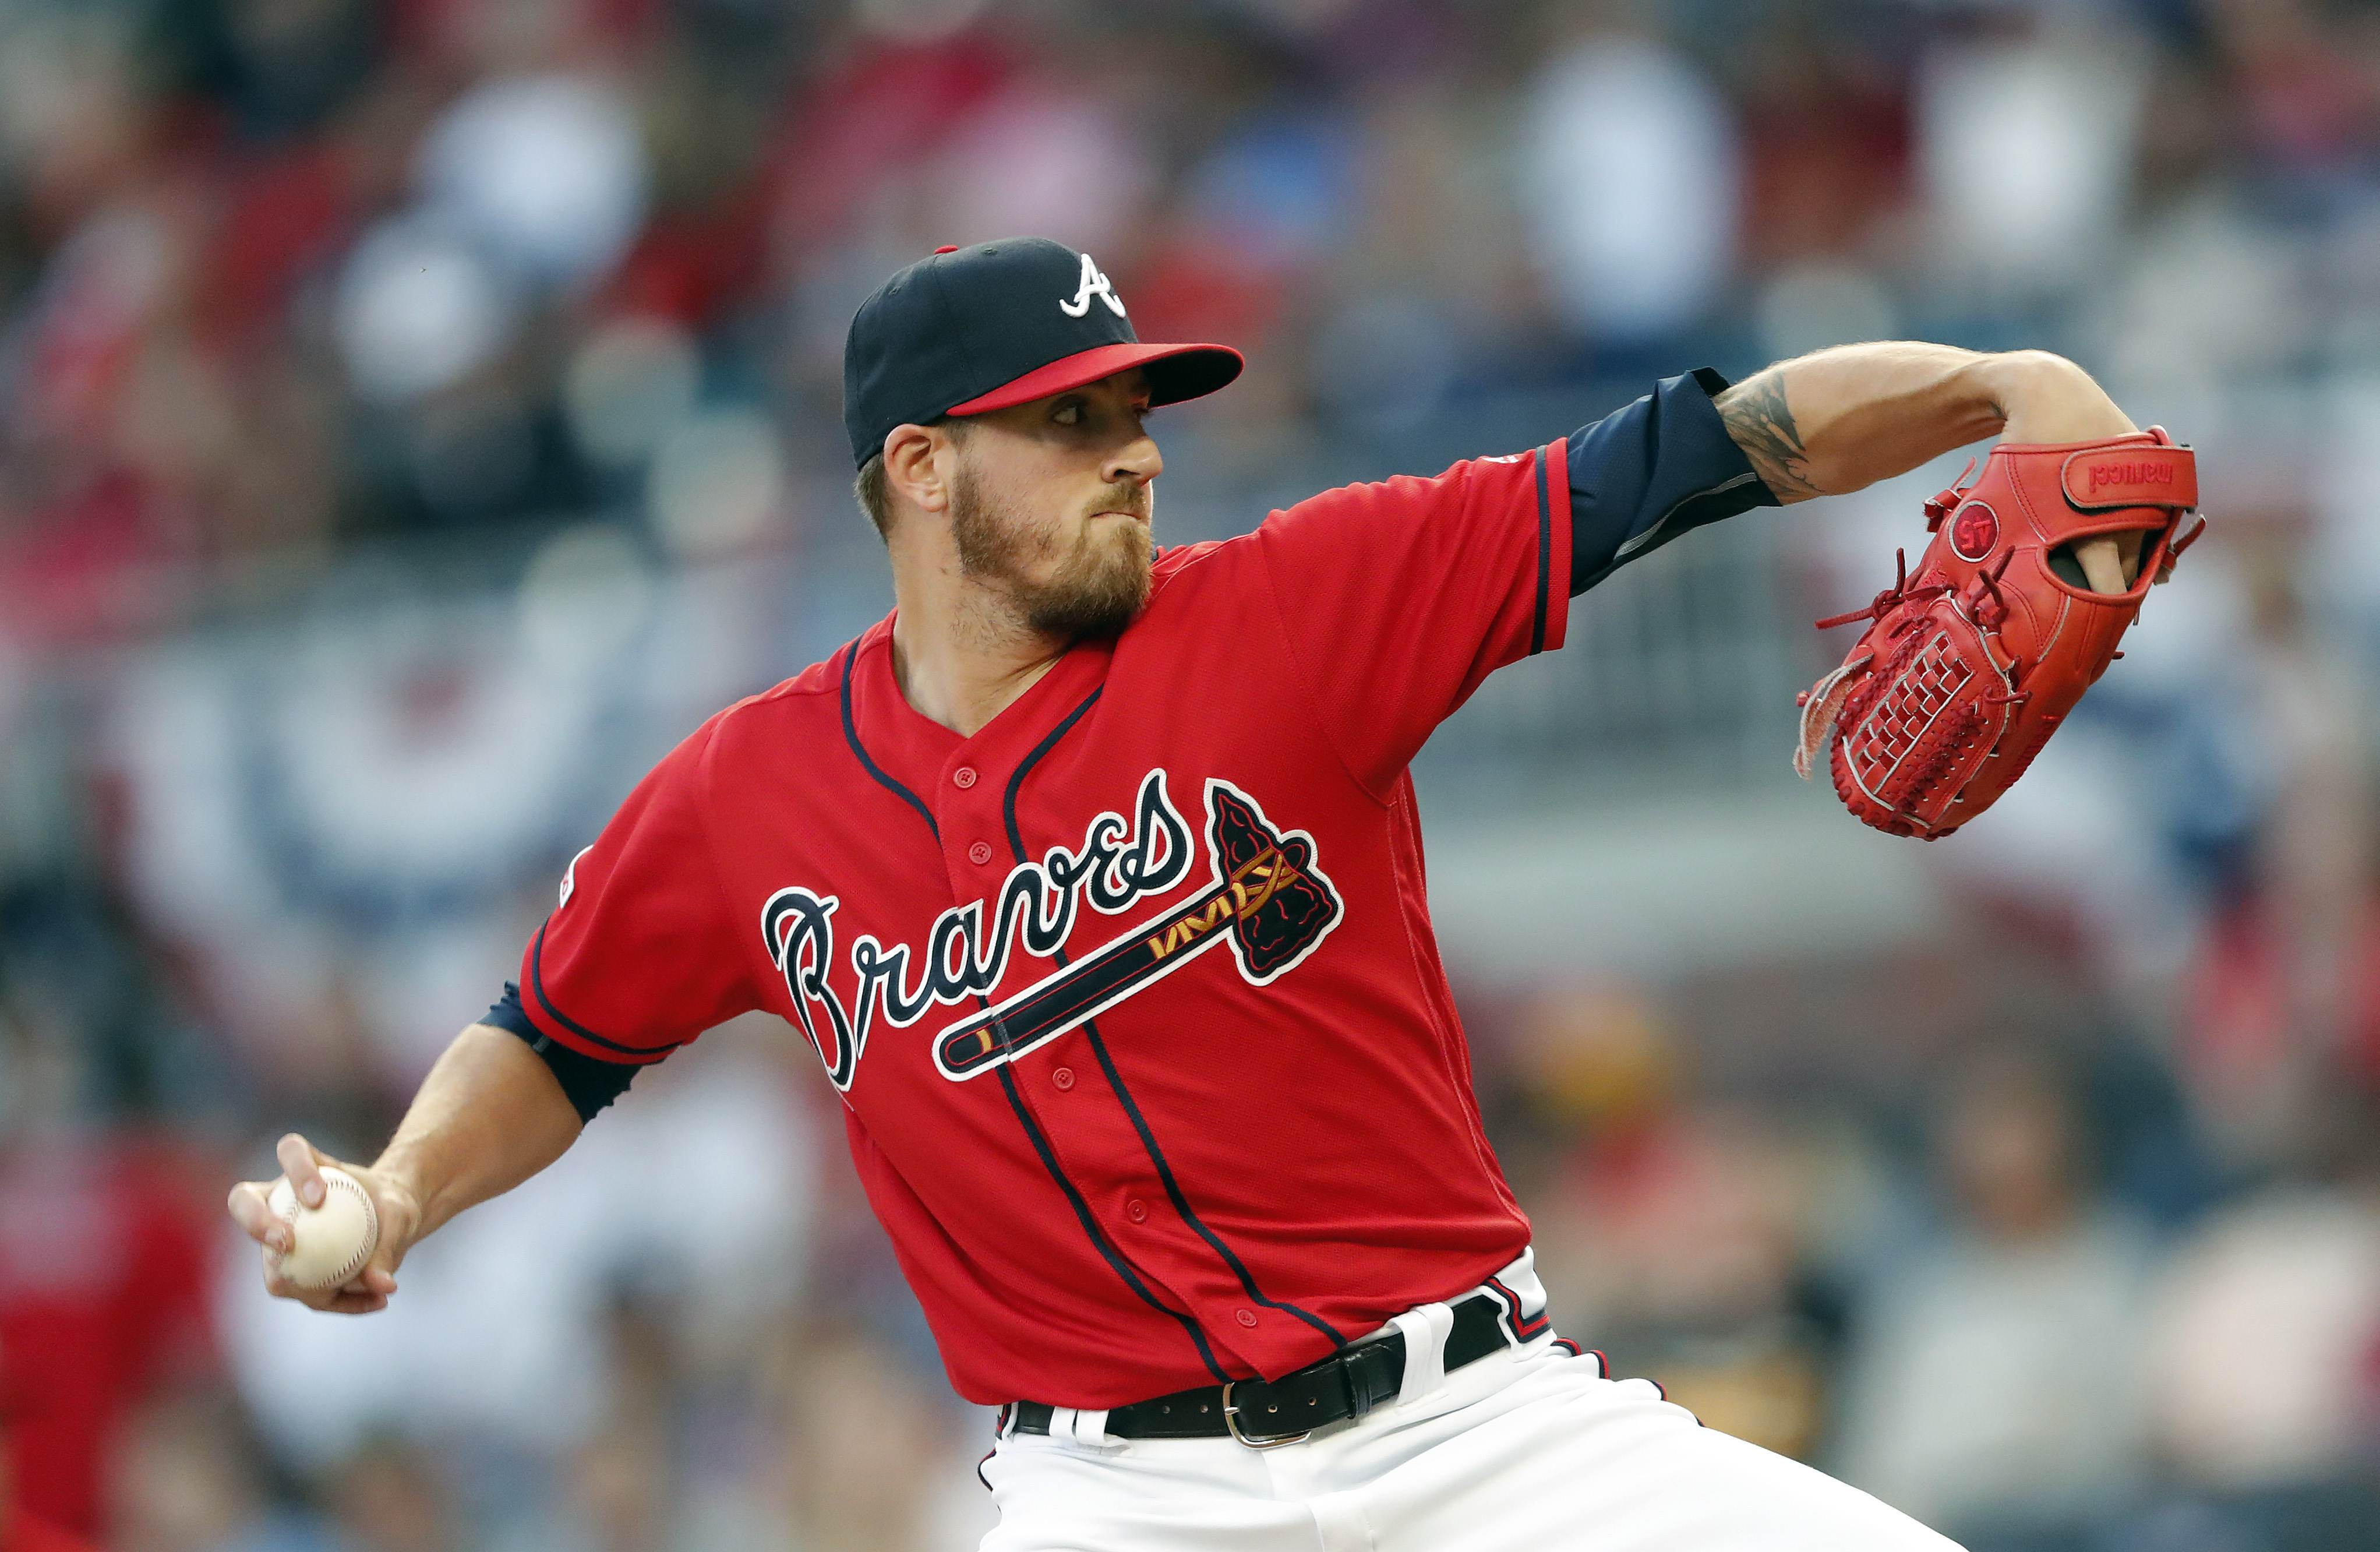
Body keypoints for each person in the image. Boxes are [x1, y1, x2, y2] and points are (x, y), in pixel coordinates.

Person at [229, 238, 2146, 1551]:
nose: (1131, 449)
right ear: (920, 470)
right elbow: (557, 1036)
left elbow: (1696, 448)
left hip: (1482, 1434)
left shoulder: (1308, 602)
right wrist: (400, 1190)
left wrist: (2003, 384)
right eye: (1065, 422)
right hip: (1117, 1506)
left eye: (1134, 408)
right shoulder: (747, 796)